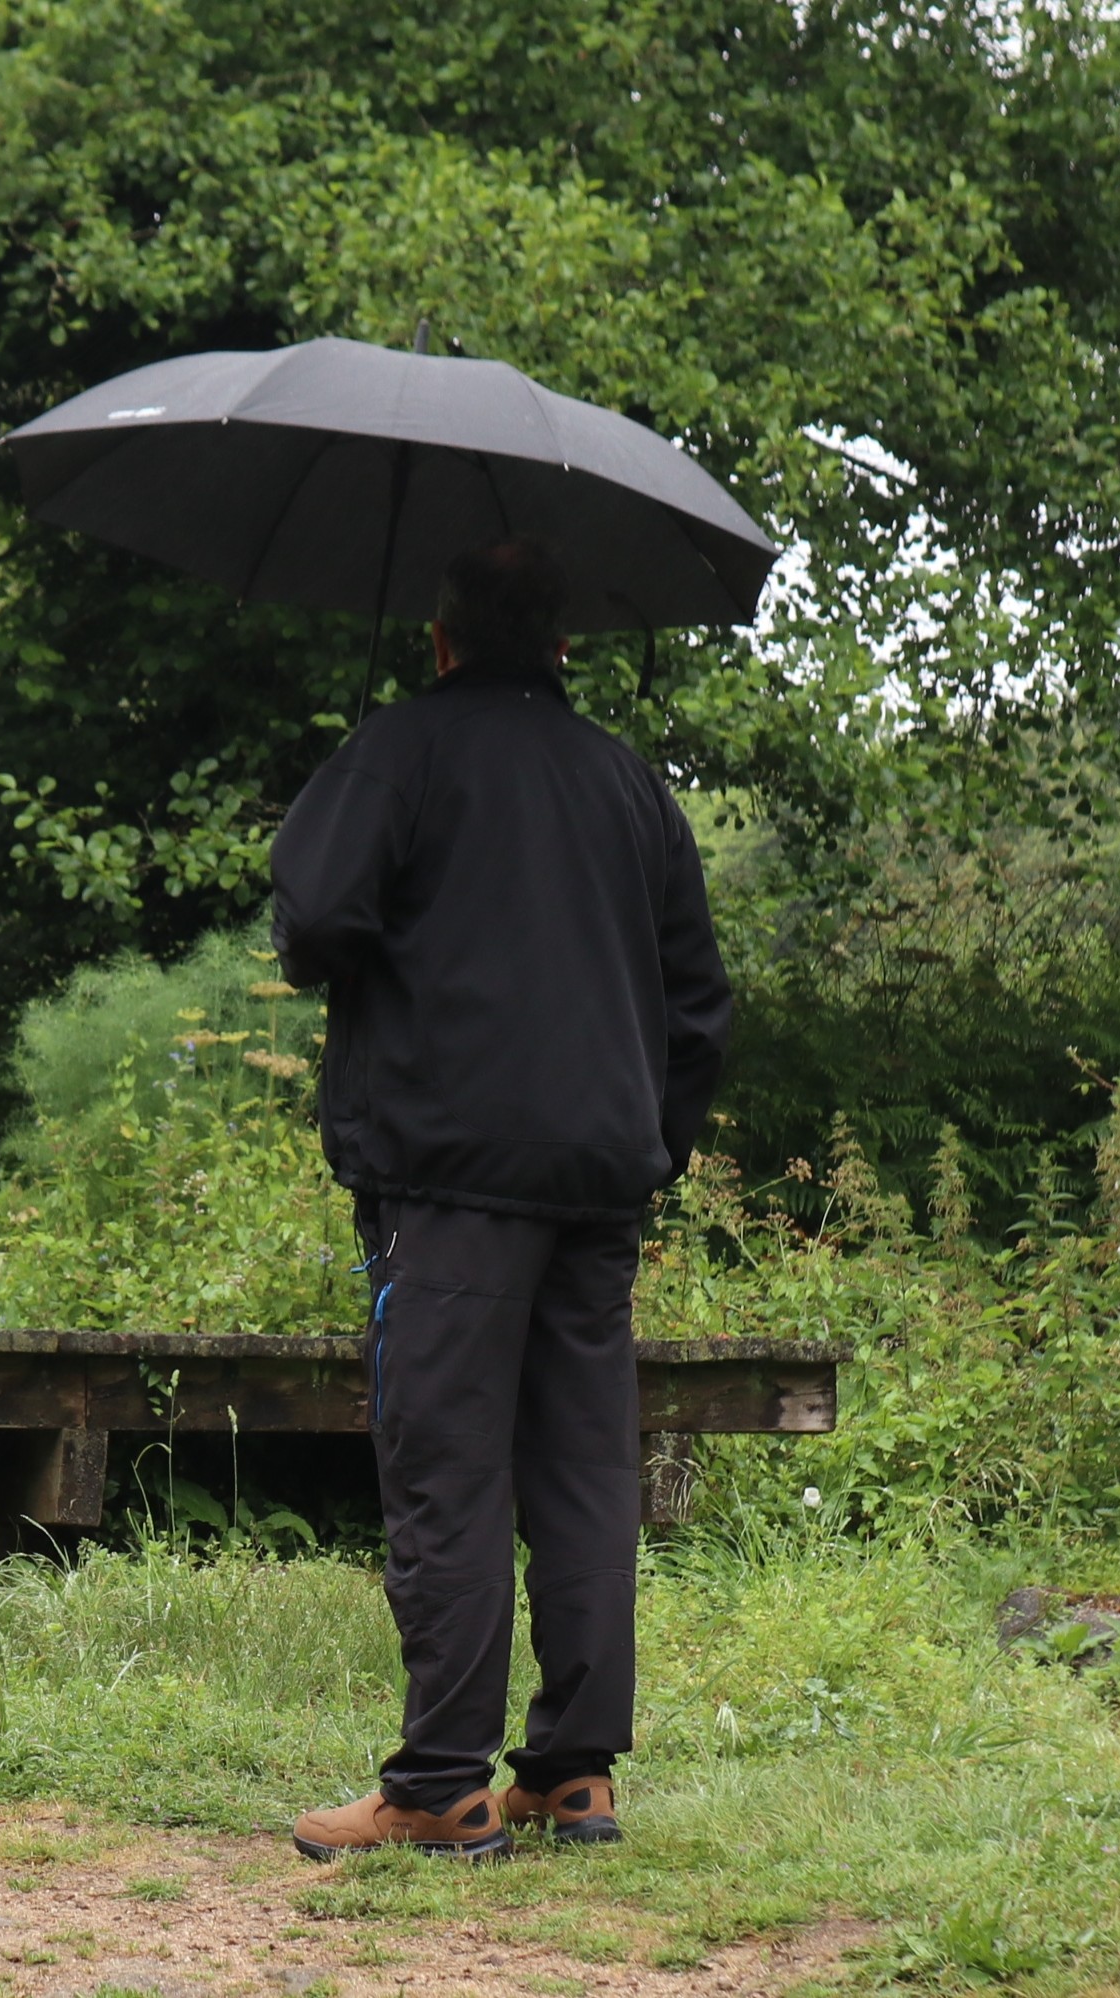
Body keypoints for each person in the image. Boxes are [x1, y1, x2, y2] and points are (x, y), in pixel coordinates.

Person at [269, 539, 734, 1859]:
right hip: (597, 1182)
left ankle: (439, 1787)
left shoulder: (402, 751)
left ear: (441, 638)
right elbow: (699, 1003)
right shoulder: (628, 784)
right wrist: (648, 1138)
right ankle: (574, 1776)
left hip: (448, 1180)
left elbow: (310, 921)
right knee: (586, 1468)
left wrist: (355, 793)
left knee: (449, 1468)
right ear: (563, 646)